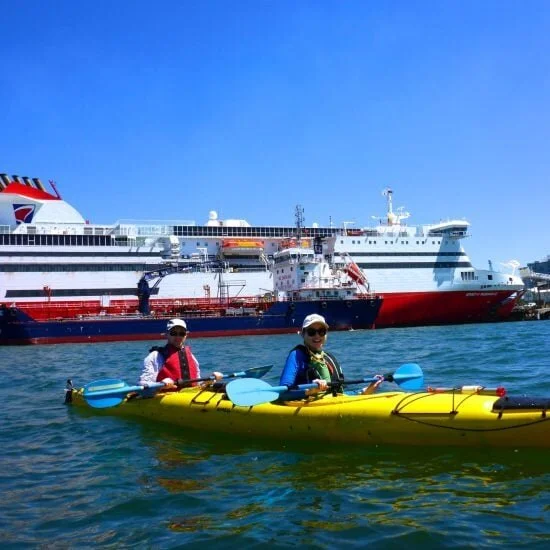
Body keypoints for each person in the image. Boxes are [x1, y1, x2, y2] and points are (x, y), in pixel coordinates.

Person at [279, 314, 383, 399]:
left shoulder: (328, 358)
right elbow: (283, 393)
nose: (317, 336)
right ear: (303, 334)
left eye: (321, 331)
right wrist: (309, 391)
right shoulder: (296, 355)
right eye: (311, 332)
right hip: (308, 405)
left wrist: (365, 391)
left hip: (331, 403)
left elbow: (338, 394)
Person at [140, 318, 222, 389]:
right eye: (173, 333)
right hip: (167, 397)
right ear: (166, 335)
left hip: (190, 394)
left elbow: (197, 383)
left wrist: (209, 380)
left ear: (186, 335)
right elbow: (143, 384)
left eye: (182, 333)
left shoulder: (191, 356)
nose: (178, 337)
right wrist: (161, 385)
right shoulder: (155, 356)